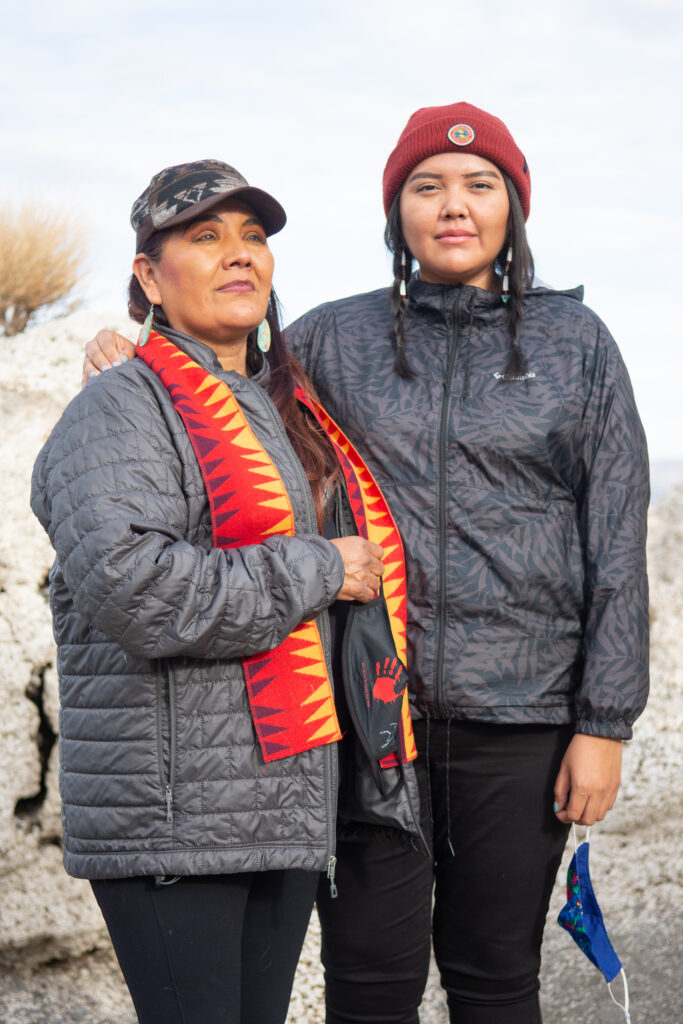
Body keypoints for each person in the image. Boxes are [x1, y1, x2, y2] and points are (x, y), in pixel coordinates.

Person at [82, 102, 650, 1024]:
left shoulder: (575, 346)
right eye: (425, 186)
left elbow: (616, 538)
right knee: (369, 987)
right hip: (371, 719)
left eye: (478, 185)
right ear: (396, 214)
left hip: (525, 719)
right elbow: (219, 394)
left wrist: (604, 722)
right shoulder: (329, 338)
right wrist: (130, 349)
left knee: (497, 981)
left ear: (513, 207)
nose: (453, 205)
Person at [31, 159, 425, 1024]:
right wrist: (324, 567)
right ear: (147, 275)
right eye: (204, 237)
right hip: (175, 820)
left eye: (252, 237)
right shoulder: (121, 409)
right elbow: (134, 589)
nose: (237, 254)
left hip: (274, 801)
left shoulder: (271, 409)